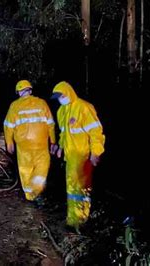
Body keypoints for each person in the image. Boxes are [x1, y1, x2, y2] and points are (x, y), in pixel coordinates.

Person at [50, 81, 105, 229]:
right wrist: (60, 147)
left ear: (68, 92)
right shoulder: (62, 111)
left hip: (83, 155)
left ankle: (80, 220)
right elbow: (64, 133)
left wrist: (96, 152)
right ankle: (73, 219)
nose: (60, 99)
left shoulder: (84, 107)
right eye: (57, 97)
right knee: (72, 189)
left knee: (80, 189)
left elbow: (96, 132)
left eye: (61, 95)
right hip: (70, 157)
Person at [3, 80, 56, 202]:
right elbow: (51, 125)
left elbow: (8, 126)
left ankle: (30, 196)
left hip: (23, 146)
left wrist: (9, 142)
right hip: (41, 144)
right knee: (42, 168)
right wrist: (53, 141)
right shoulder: (42, 103)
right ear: (30, 90)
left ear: (18, 92)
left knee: (25, 170)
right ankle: (37, 191)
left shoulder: (14, 106)